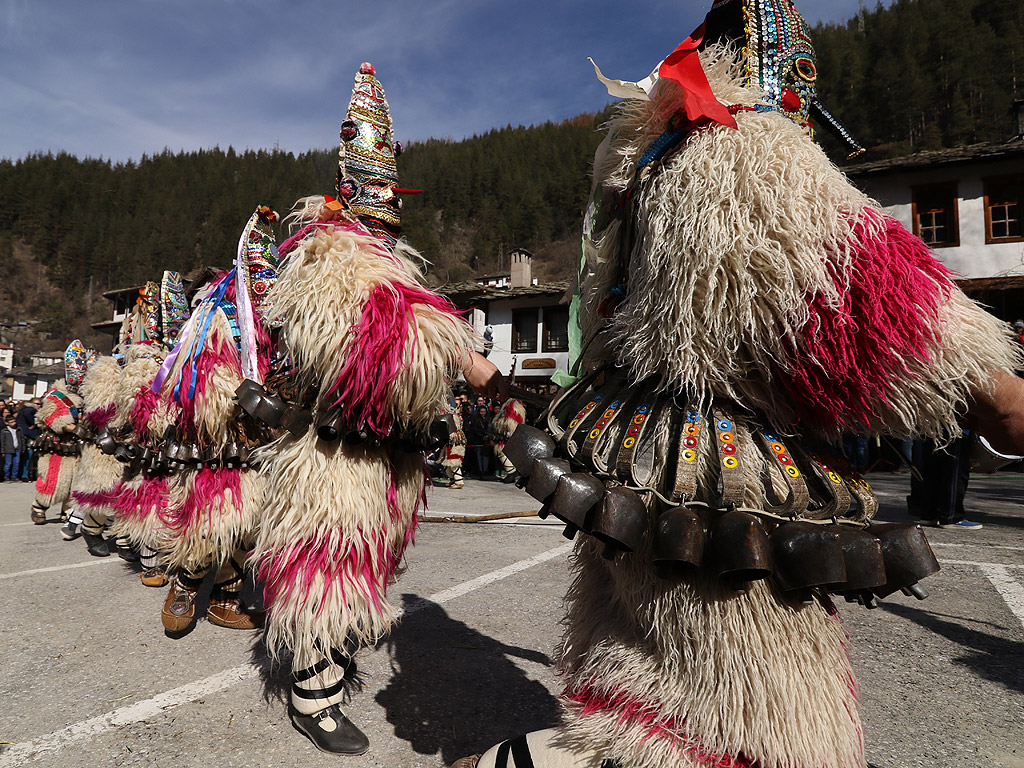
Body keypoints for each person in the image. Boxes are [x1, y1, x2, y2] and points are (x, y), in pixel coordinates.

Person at [454, 2, 1024, 767]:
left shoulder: (647, 179)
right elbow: (872, 297)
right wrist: (994, 390)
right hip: (721, 486)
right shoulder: (750, 159)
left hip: (642, 467)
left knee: (649, 686)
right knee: (743, 726)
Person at [251, 62, 500, 756]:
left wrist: (469, 364)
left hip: (388, 458)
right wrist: (455, 347)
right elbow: (370, 345)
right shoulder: (325, 262)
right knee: (324, 572)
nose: (388, 230)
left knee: (365, 569)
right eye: (378, 214)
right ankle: (313, 694)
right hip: (333, 458)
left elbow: (412, 330)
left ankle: (330, 662)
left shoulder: (393, 273)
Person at [908, 431, 981, 529]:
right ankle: (952, 517)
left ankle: (929, 515)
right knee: (954, 473)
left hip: (930, 429)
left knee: (932, 472)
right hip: (954, 430)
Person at [16, 399, 40, 481]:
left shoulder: (24, 410)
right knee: (28, 457)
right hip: (28, 437)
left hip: (26, 436)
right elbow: (29, 416)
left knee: (27, 458)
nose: (39, 405)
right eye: (37, 404)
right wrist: (35, 423)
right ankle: (24, 474)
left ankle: (24, 474)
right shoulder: (30, 409)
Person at [1, 415, 25, 480]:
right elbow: (2, 442)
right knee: (8, 464)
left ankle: (14, 476)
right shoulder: (4, 431)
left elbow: (22, 439)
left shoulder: (19, 429)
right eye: (11, 422)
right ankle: (6, 476)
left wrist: (22, 448)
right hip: (8, 450)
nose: (14, 423)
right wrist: (2, 451)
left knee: (16, 463)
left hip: (17, 449)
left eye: (14, 421)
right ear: (7, 423)